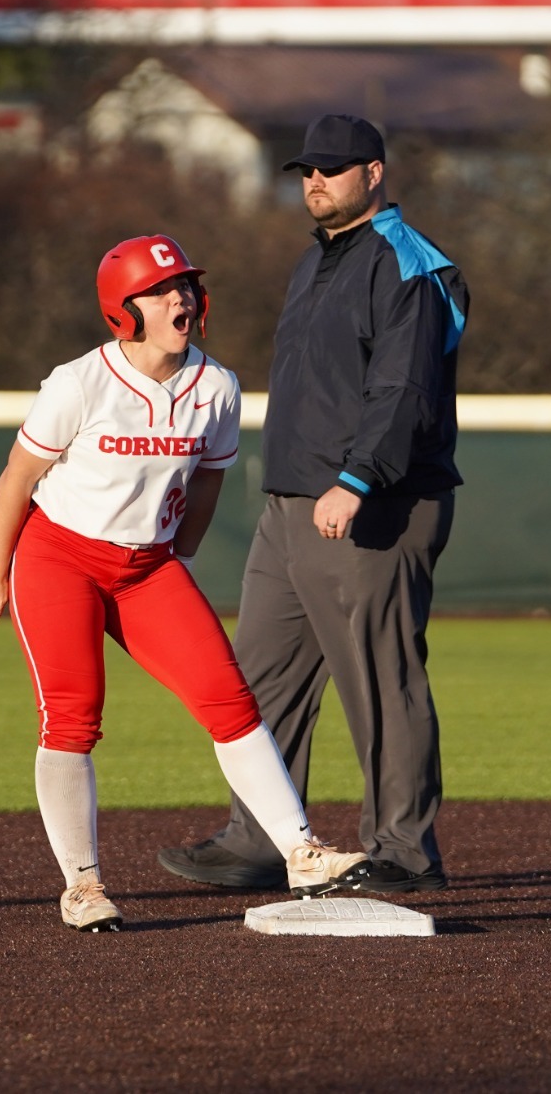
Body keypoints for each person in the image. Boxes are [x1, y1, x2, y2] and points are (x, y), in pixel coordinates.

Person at [0, 234, 372, 932]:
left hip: (147, 567)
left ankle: (300, 850)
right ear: (125, 310)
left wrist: (179, 551)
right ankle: (83, 886)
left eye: (184, 285)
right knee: (74, 715)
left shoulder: (215, 385)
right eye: (161, 290)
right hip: (60, 557)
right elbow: (19, 477)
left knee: (231, 700)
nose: (180, 297)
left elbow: (208, 478)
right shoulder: (79, 382)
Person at [155, 114, 467, 894]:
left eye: (332, 168)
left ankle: (402, 849)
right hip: (291, 501)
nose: (315, 181)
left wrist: (358, 479)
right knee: (258, 677)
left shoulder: (410, 262)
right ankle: (263, 836)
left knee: (380, 677)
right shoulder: (313, 262)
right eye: (306, 170)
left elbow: (404, 390)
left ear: (374, 173)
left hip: (373, 503)